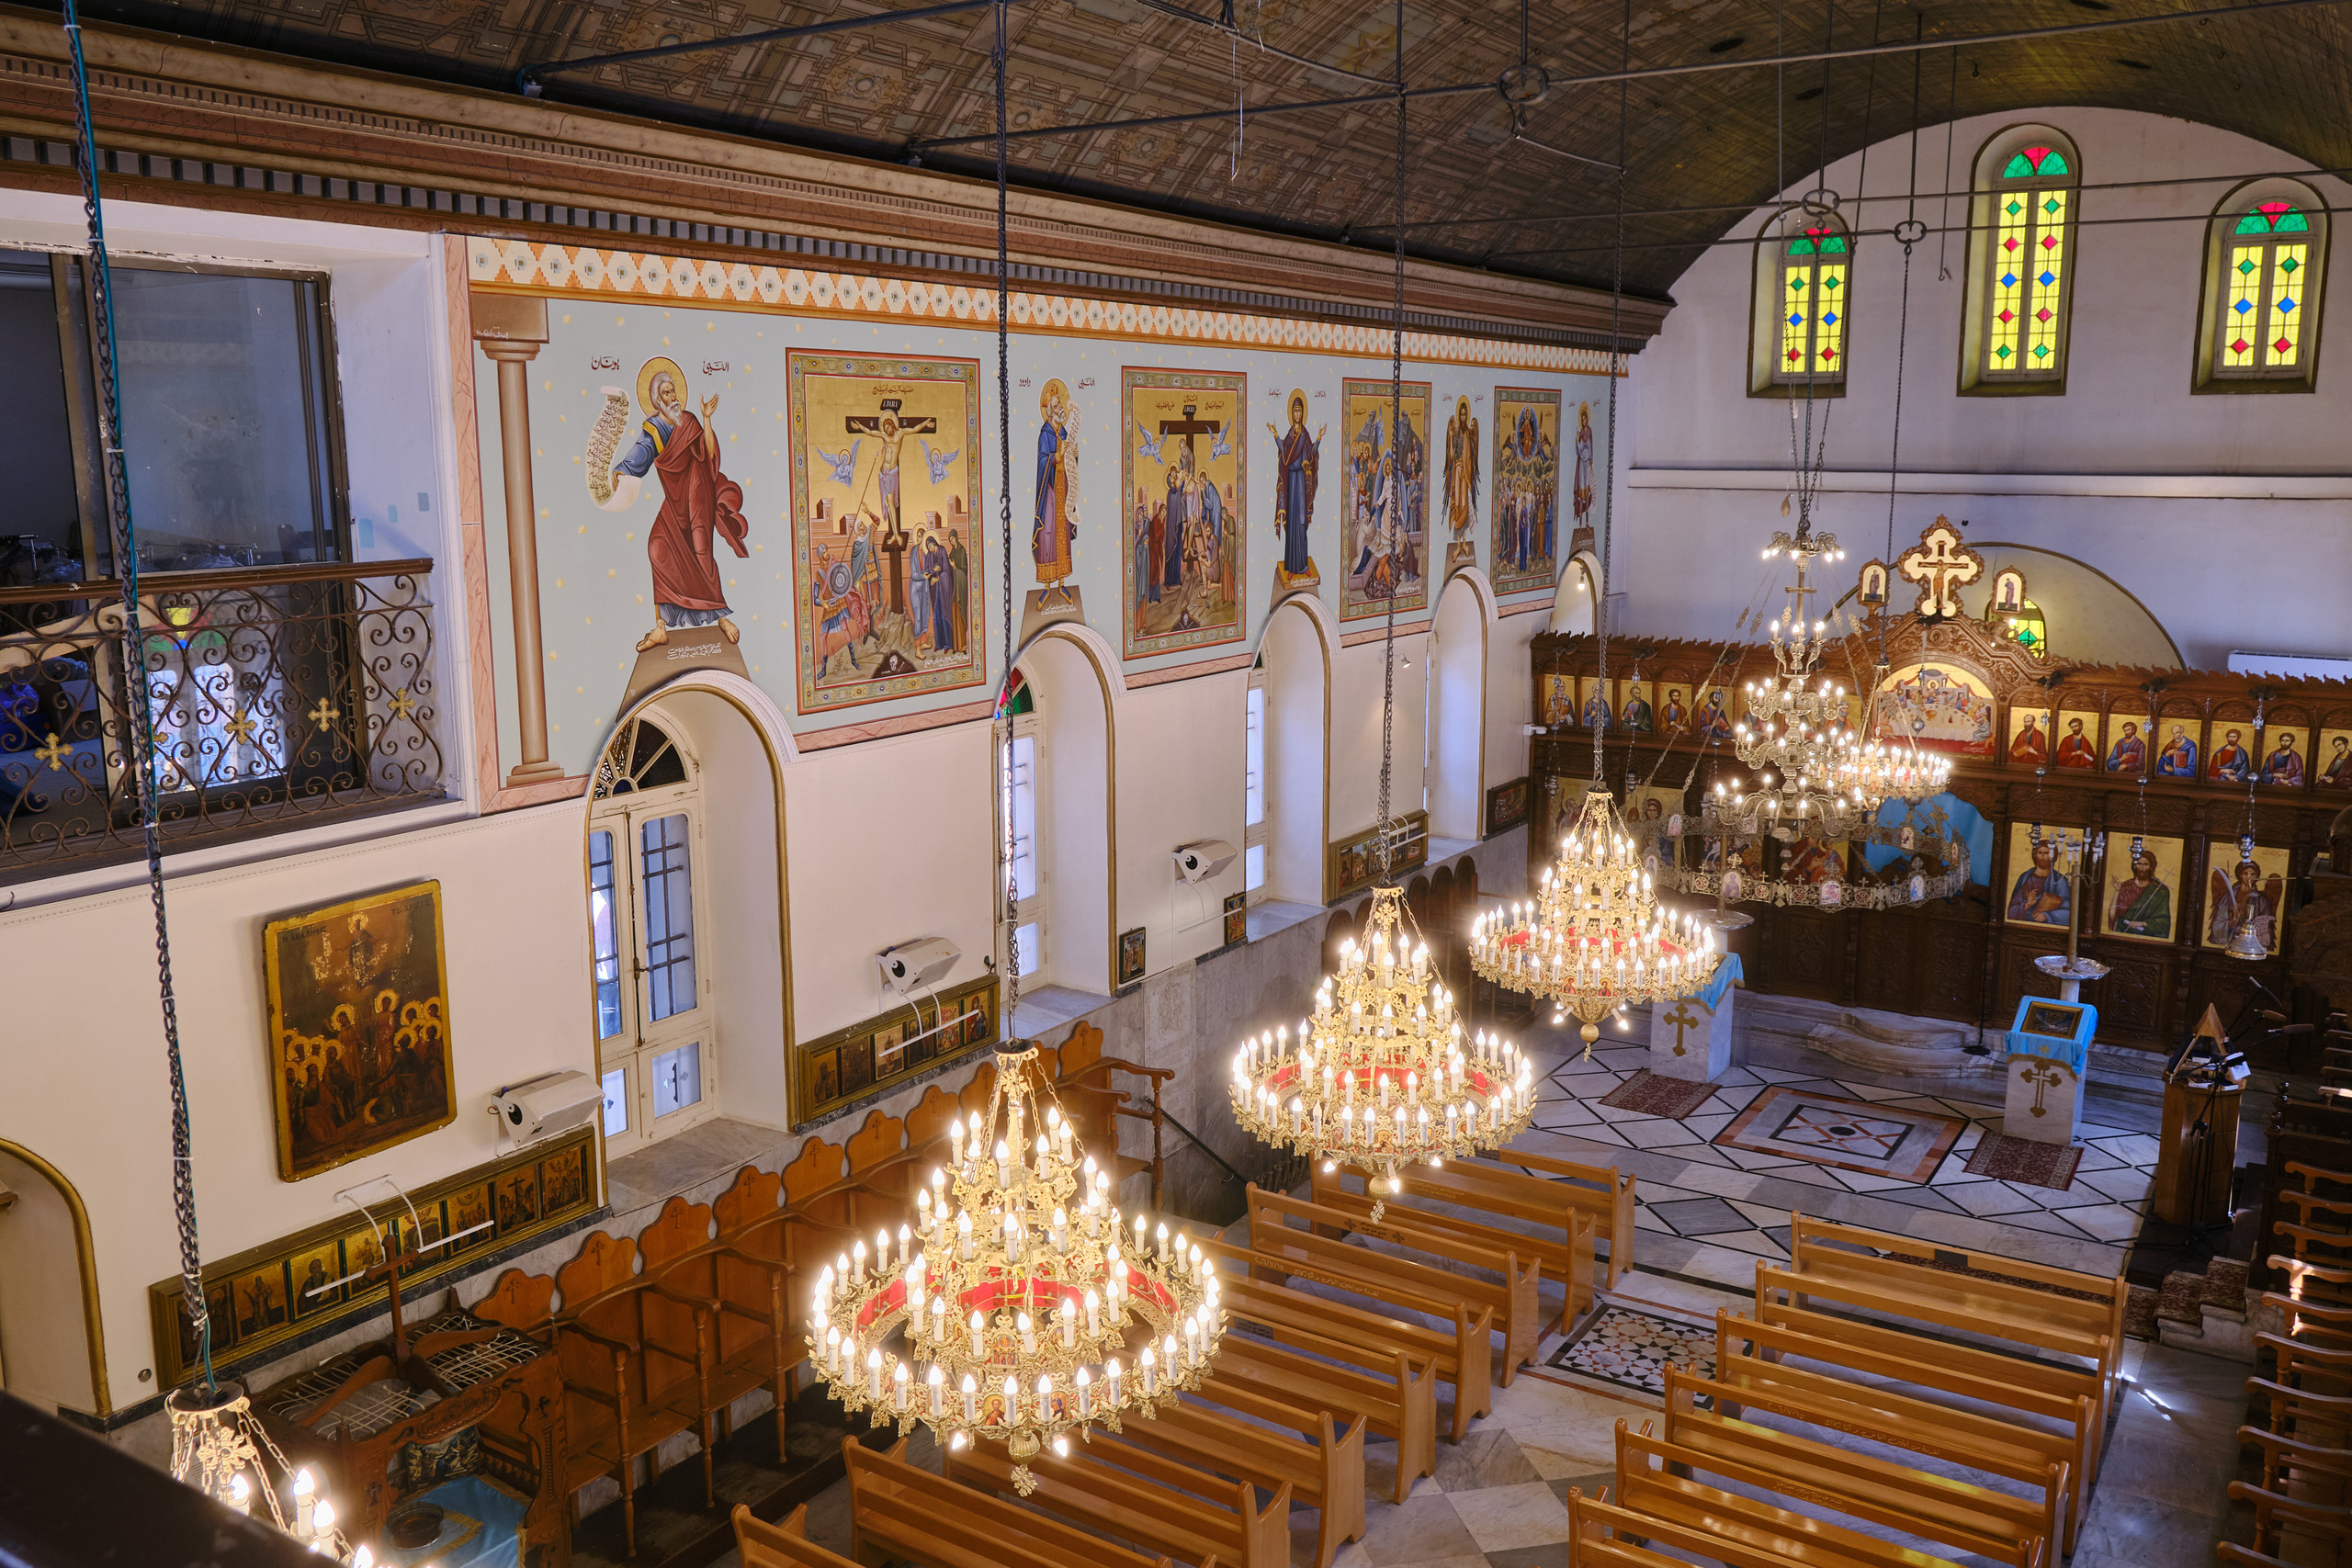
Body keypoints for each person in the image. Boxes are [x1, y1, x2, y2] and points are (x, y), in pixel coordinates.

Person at [607, 358, 748, 651]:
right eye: (666, 393)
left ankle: (721, 617)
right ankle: (661, 628)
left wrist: (706, 418)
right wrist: (622, 470)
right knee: (657, 547)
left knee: (701, 553)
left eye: (673, 391)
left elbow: (709, 452)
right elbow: (641, 453)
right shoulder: (655, 428)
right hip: (674, 503)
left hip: (696, 496)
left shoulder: (690, 421)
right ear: (657, 400)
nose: (672, 397)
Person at [1268, 393, 1324, 581]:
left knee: (1301, 521)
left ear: (1302, 413)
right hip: (1291, 481)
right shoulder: (1290, 435)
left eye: (1300, 411)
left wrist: (1319, 438)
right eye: (1295, 411)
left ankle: (1303, 565)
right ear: (1292, 414)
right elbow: (1284, 452)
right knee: (1292, 521)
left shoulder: (1305, 435)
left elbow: (1311, 453)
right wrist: (1276, 434)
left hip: (1301, 480)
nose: (1297, 414)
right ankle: (1291, 566)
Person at [2208, 859, 2277, 950]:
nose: (2249, 877)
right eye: (2246, 873)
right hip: (2230, 943)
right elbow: (2217, 926)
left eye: (2252, 874)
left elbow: (2265, 930)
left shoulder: (2262, 900)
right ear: (2240, 875)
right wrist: (2230, 924)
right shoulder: (2230, 896)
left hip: (2250, 945)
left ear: (2257, 876)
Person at [2108, 845, 2172, 939]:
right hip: (2123, 935)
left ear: (2151, 867)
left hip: (2147, 938)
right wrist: (2117, 891)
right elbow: (2113, 917)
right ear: (2134, 866)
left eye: (2145, 864)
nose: (2142, 867)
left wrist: (2142, 923)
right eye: (2139, 863)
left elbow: (2164, 922)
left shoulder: (2160, 891)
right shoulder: (2125, 887)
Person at [2006, 837, 2071, 926]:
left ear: (2053, 856)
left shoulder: (2060, 881)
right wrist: (2027, 905)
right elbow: (2010, 912)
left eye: (2047, 853)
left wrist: (2047, 916)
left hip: (2047, 927)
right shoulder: (2025, 878)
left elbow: (2068, 913)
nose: (2043, 856)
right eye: (2040, 853)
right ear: (2035, 855)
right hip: (2023, 925)